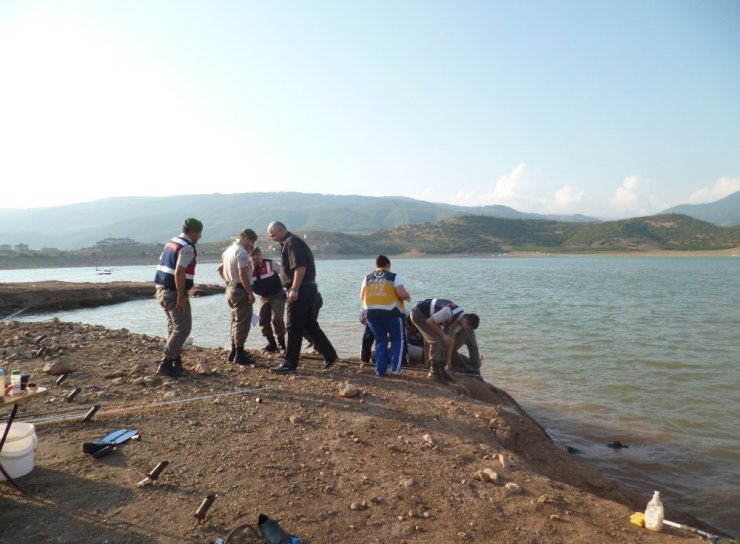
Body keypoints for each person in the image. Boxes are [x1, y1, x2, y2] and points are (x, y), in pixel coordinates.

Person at [266, 221, 339, 373]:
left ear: (281, 229)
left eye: (273, 234)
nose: (272, 238)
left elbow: (300, 267)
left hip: (302, 288)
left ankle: (290, 363)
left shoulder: (291, 243)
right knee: (309, 325)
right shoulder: (293, 242)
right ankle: (330, 355)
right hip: (308, 288)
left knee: (293, 326)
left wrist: (294, 288)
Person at [153, 217, 203, 377]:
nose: (200, 237)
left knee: (173, 326)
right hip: (173, 292)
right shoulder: (187, 247)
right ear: (192, 232)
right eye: (199, 233)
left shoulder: (171, 243)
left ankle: (176, 361)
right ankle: (166, 362)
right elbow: (180, 271)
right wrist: (181, 295)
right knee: (183, 329)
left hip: (161, 290)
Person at [360, 255, 411, 376]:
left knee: (380, 340)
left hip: (371, 314)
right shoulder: (393, 277)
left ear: (376, 266)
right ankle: (395, 369)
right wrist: (408, 296)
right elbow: (402, 294)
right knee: (397, 340)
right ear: (388, 265)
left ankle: (380, 370)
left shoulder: (367, 278)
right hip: (391, 313)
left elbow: (361, 295)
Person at [409, 298, 478, 384]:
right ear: (465, 321)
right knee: (437, 340)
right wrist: (444, 335)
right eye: (468, 328)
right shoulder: (450, 313)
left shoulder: (458, 320)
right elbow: (430, 322)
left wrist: (448, 360)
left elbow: (451, 341)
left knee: (443, 340)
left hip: (429, 317)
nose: (467, 331)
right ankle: (433, 373)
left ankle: (441, 371)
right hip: (418, 314)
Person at [217, 228, 258, 365]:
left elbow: (220, 269)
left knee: (234, 321)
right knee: (243, 322)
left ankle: (233, 351)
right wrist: (250, 293)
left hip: (231, 288)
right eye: (251, 241)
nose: (251, 245)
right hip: (240, 289)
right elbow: (243, 274)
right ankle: (239, 354)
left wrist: (228, 283)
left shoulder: (228, 251)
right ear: (246, 238)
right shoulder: (241, 252)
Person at [249, 246, 286, 353]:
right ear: (249, 258)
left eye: (258, 254)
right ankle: (272, 344)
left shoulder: (270, 264)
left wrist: (288, 289)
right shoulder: (247, 269)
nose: (256, 257)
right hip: (263, 297)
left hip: (277, 295)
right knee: (261, 320)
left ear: (261, 255)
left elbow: (285, 274)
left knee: (277, 319)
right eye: (253, 255)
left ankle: (282, 345)